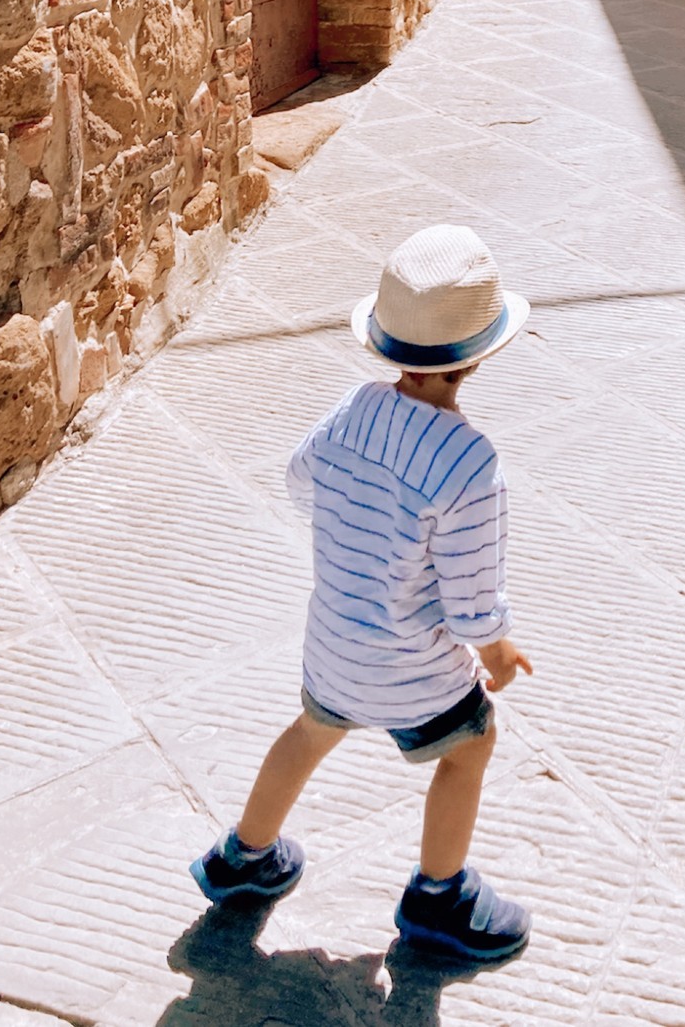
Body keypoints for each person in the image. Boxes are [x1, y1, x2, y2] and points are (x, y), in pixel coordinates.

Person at [189, 224, 534, 963]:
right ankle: (440, 897)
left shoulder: (355, 408)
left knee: (309, 733)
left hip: (334, 646)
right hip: (412, 668)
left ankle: (244, 857)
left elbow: (301, 480)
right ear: (478, 355)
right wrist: (497, 650)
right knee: (472, 745)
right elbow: (471, 598)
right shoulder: (471, 464)